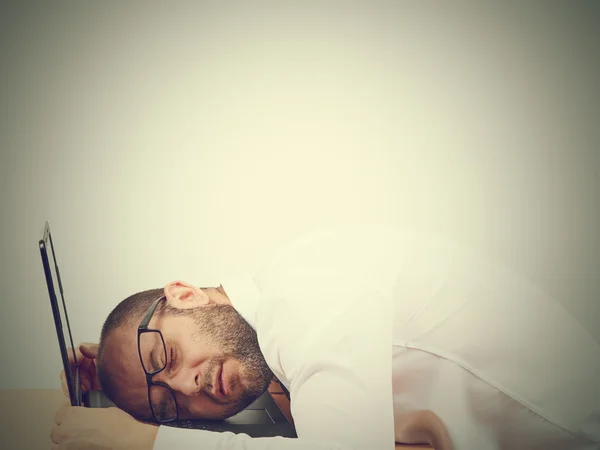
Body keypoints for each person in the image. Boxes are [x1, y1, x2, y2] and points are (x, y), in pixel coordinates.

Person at [52, 224, 600, 450]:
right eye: (173, 405)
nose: (192, 384)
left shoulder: (303, 301)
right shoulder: (269, 328)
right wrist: (120, 380)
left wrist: (142, 441)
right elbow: (265, 414)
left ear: (186, 293)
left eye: (165, 355)